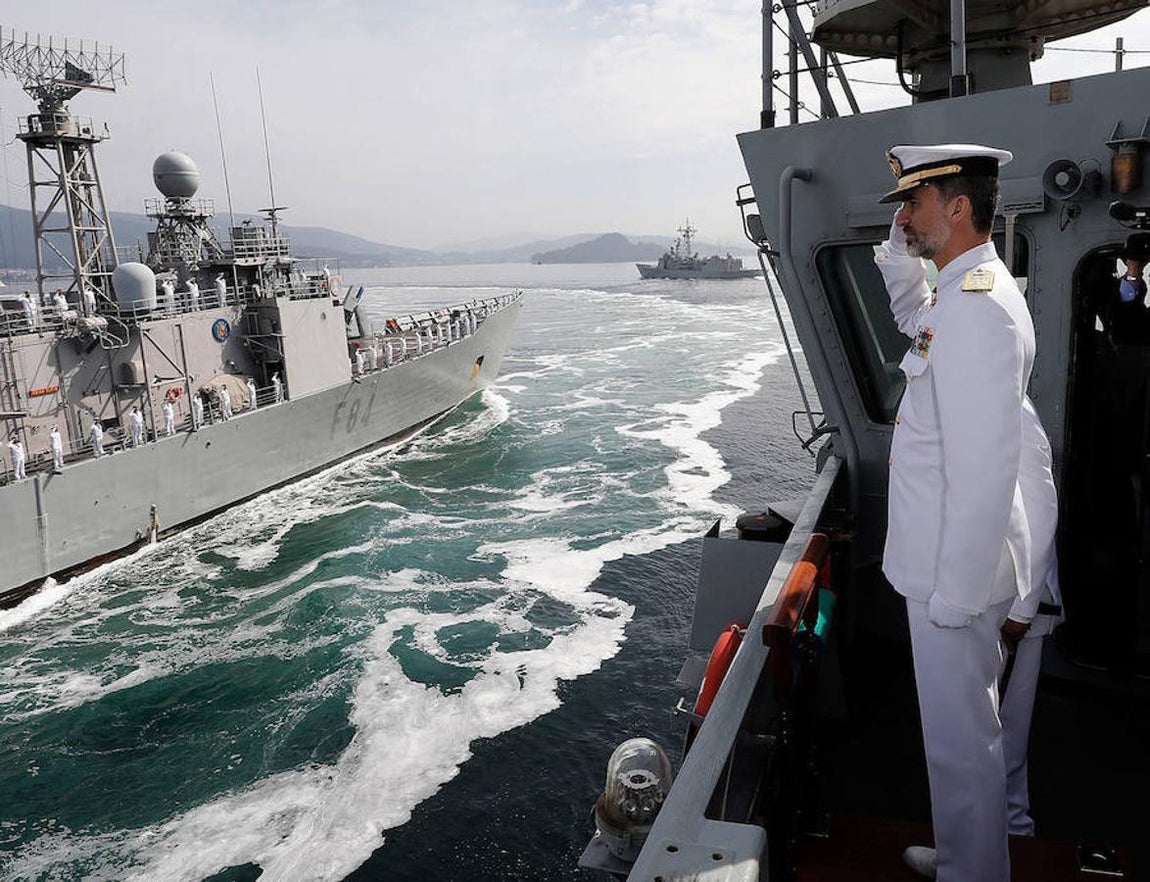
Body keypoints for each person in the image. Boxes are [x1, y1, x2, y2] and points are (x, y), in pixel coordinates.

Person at [874, 144, 1037, 882]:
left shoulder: (977, 311)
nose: (905, 216)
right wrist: (899, 245)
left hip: (953, 575)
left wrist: (957, 595)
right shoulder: (963, 293)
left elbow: (983, 473)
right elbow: (916, 318)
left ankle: (974, 874)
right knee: (964, 735)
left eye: (915, 203)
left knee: (960, 739)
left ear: (959, 207)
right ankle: (967, 852)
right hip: (946, 566)